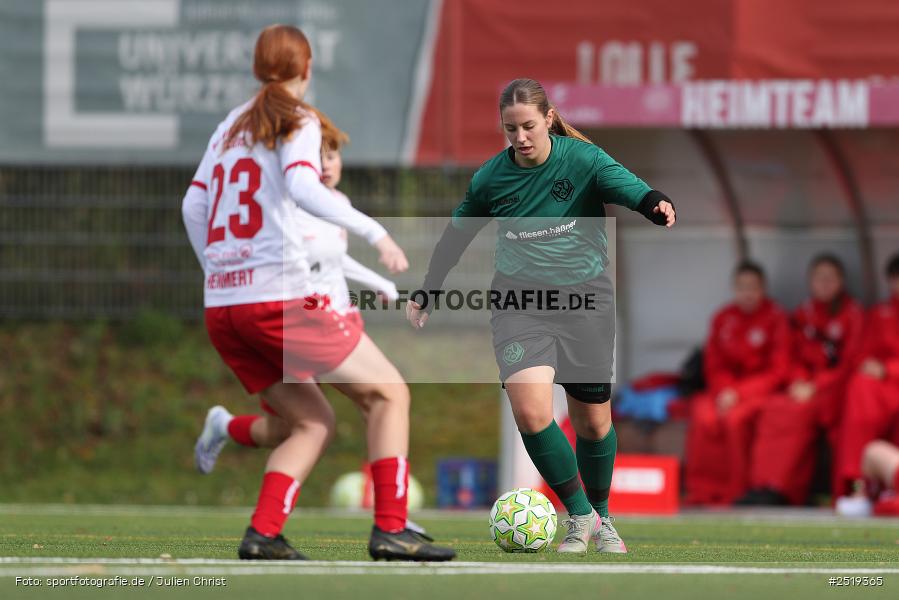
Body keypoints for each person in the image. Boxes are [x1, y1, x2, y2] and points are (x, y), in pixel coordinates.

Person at [181, 24, 454, 561]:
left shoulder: (228, 127)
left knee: (310, 421)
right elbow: (305, 187)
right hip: (281, 300)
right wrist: (376, 232)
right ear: (306, 69)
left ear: (259, 69)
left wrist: (218, 271)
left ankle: (262, 534)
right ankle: (392, 529)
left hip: (225, 308)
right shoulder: (296, 118)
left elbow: (193, 208)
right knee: (389, 393)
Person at [406, 78, 676, 554]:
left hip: (584, 301)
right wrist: (429, 288)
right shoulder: (491, 178)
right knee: (531, 410)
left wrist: (654, 203)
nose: (521, 137)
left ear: (548, 118)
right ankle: (579, 515)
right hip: (519, 303)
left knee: (592, 424)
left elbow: (629, 187)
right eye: (511, 129)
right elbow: (456, 234)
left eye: (528, 126)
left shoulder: (582, 160)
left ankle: (604, 516)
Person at [737, 255, 864, 505]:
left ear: (841, 282)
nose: (825, 284)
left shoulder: (853, 314)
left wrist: (815, 386)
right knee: (776, 407)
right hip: (804, 388)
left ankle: (783, 491)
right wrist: (800, 381)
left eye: (831, 278)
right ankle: (764, 485)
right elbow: (791, 356)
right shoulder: (802, 314)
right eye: (819, 278)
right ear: (810, 281)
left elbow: (851, 362)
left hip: (834, 390)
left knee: (797, 413)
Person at [684, 262, 791, 505]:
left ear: (763, 288)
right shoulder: (723, 318)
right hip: (724, 391)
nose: (747, 293)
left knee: (735, 419)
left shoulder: (776, 318)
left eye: (753, 287)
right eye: (742, 287)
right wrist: (725, 391)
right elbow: (713, 364)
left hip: (759, 391)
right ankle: (701, 491)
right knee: (703, 415)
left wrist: (740, 393)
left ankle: (736, 491)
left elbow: (779, 370)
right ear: (734, 288)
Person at [835, 253, 899, 517]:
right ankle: (857, 486)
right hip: (881, 388)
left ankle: (871, 491)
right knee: (861, 387)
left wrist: (888, 369)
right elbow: (858, 356)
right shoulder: (878, 315)